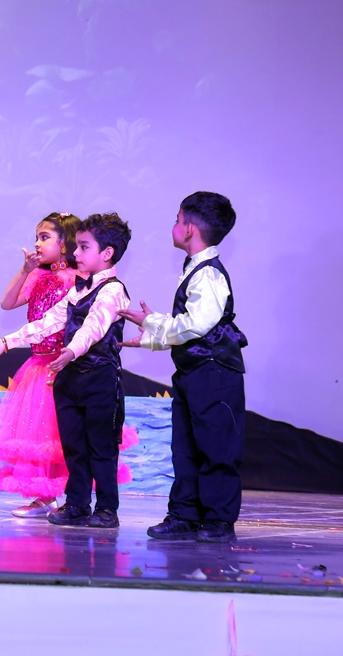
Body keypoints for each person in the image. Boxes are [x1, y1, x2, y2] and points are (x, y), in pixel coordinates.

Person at [0, 213, 132, 529]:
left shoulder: (113, 290)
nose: (76, 253)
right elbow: (49, 321)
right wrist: (7, 342)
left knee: (101, 447)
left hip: (99, 378)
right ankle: (76, 504)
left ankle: (106, 509)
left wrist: (70, 351)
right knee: (74, 446)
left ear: (107, 253)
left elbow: (93, 326)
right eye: (76, 246)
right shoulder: (79, 289)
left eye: (84, 247)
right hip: (71, 377)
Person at [120, 191, 247, 543]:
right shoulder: (195, 269)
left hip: (215, 371)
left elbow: (197, 326)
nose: (174, 226)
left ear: (190, 228)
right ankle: (185, 514)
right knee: (186, 446)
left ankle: (218, 520)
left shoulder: (209, 274)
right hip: (195, 370)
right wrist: (150, 336)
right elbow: (189, 329)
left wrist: (151, 322)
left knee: (216, 447)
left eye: (177, 220)